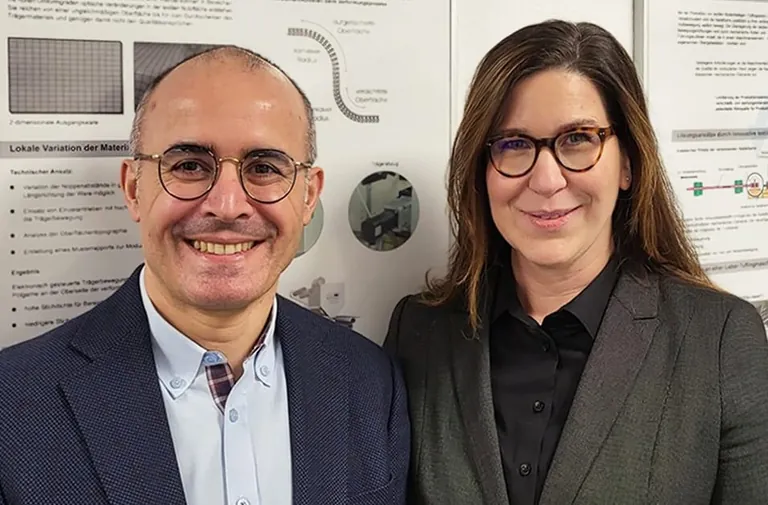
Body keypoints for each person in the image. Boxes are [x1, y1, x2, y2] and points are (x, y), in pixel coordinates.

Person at [0, 46, 408, 505]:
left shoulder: (370, 381)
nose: (228, 205)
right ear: (134, 189)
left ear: (308, 198)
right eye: (189, 166)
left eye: (264, 168)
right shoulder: (12, 406)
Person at [384, 19, 768, 505]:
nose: (546, 180)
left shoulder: (719, 341)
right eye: (514, 144)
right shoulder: (420, 333)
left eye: (578, 139)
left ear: (627, 163)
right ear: (482, 171)